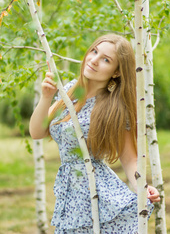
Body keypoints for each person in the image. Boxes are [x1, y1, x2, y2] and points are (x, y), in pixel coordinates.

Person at [29, 34, 160, 234]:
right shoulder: (69, 92)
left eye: (106, 60)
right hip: (70, 193)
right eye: (94, 51)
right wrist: (46, 97)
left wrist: (142, 186)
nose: (94, 60)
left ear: (116, 72)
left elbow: (128, 157)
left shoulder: (116, 108)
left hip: (98, 192)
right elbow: (36, 132)